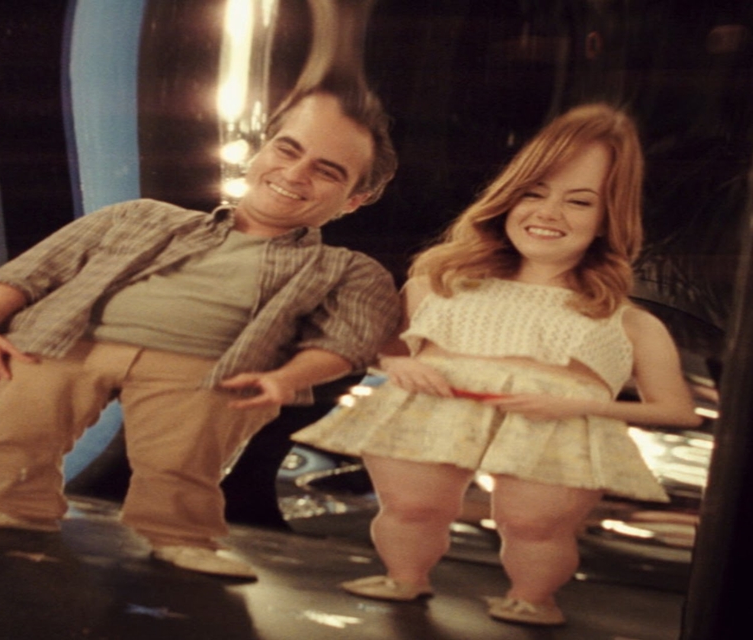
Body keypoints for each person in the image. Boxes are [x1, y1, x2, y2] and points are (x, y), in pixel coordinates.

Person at [0, 80, 401, 580]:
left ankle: (181, 536)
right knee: (17, 422)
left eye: (327, 171)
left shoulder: (348, 269)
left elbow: (348, 341)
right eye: (287, 150)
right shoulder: (139, 216)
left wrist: (286, 378)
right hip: (65, 341)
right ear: (260, 151)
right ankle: (13, 505)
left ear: (354, 199)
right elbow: (24, 275)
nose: (294, 173)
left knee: (181, 459)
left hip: (208, 370)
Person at [291, 103, 702, 625]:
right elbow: (380, 349)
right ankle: (403, 576)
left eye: (579, 202)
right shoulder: (438, 283)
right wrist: (396, 366)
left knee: (534, 525)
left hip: (554, 428)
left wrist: (573, 406)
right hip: (430, 409)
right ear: (508, 198)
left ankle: (533, 598)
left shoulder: (628, 321)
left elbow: (678, 411)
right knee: (410, 507)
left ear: (608, 220)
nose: (549, 213)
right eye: (534, 193)